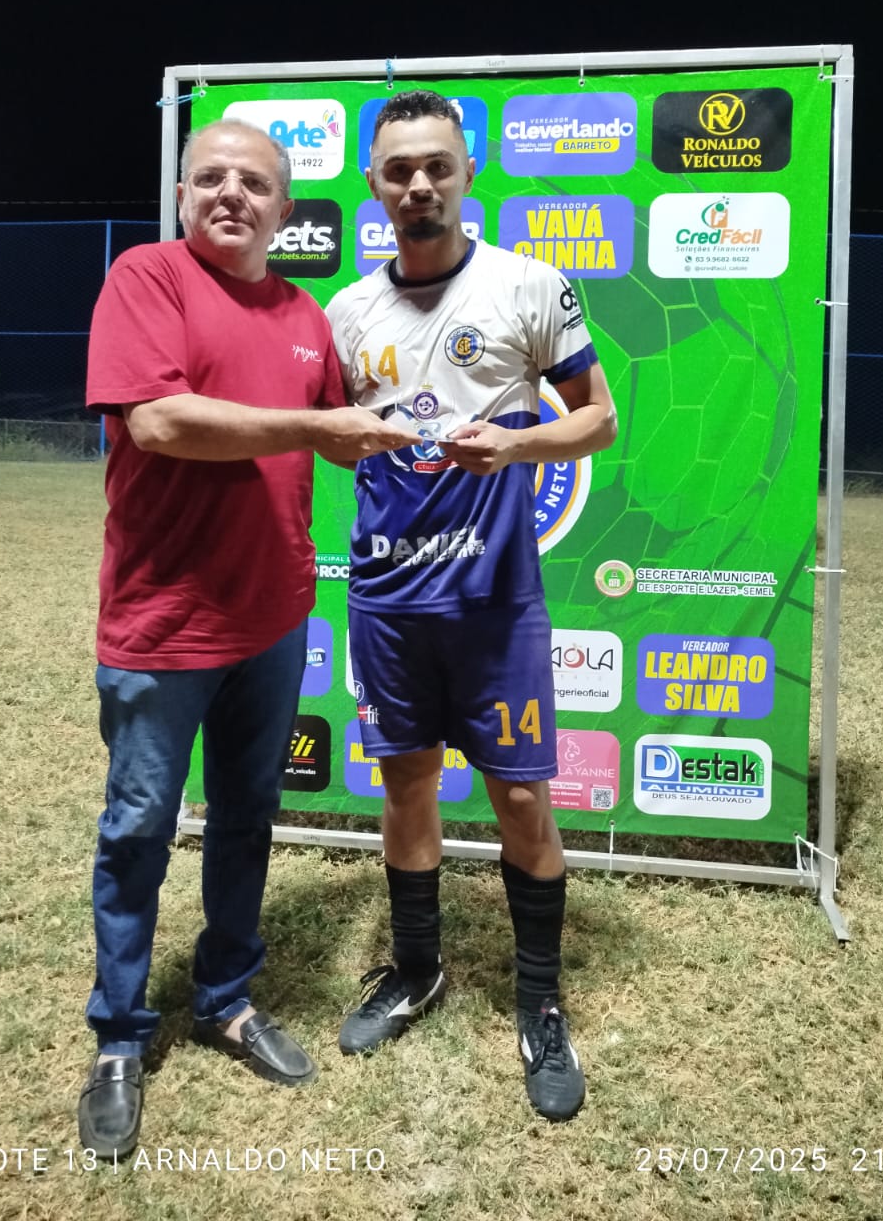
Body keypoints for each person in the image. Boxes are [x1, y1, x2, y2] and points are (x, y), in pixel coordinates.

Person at [78, 118, 419, 1160]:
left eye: (254, 183)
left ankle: (226, 997)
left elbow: (353, 441)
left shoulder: (307, 316)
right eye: (211, 177)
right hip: (162, 623)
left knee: (246, 817)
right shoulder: (147, 278)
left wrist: (453, 422)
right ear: (185, 194)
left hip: (272, 619)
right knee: (140, 828)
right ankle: (120, 1034)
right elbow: (160, 421)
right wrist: (318, 427)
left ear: (285, 209)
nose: (231, 194)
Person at [325, 90, 618, 1122]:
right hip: (388, 602)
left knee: (523, 802)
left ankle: (541, 1004)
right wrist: (351, 438)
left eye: (437, 166)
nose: (420, 184)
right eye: (400, 169)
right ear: (374, 183)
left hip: (496, 603)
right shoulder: (345, 314)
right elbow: (329, 441)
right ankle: (416, 970)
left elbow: (599, 420)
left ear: (465, 172)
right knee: (407, 788)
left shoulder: (527, 285)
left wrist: (519, 442)